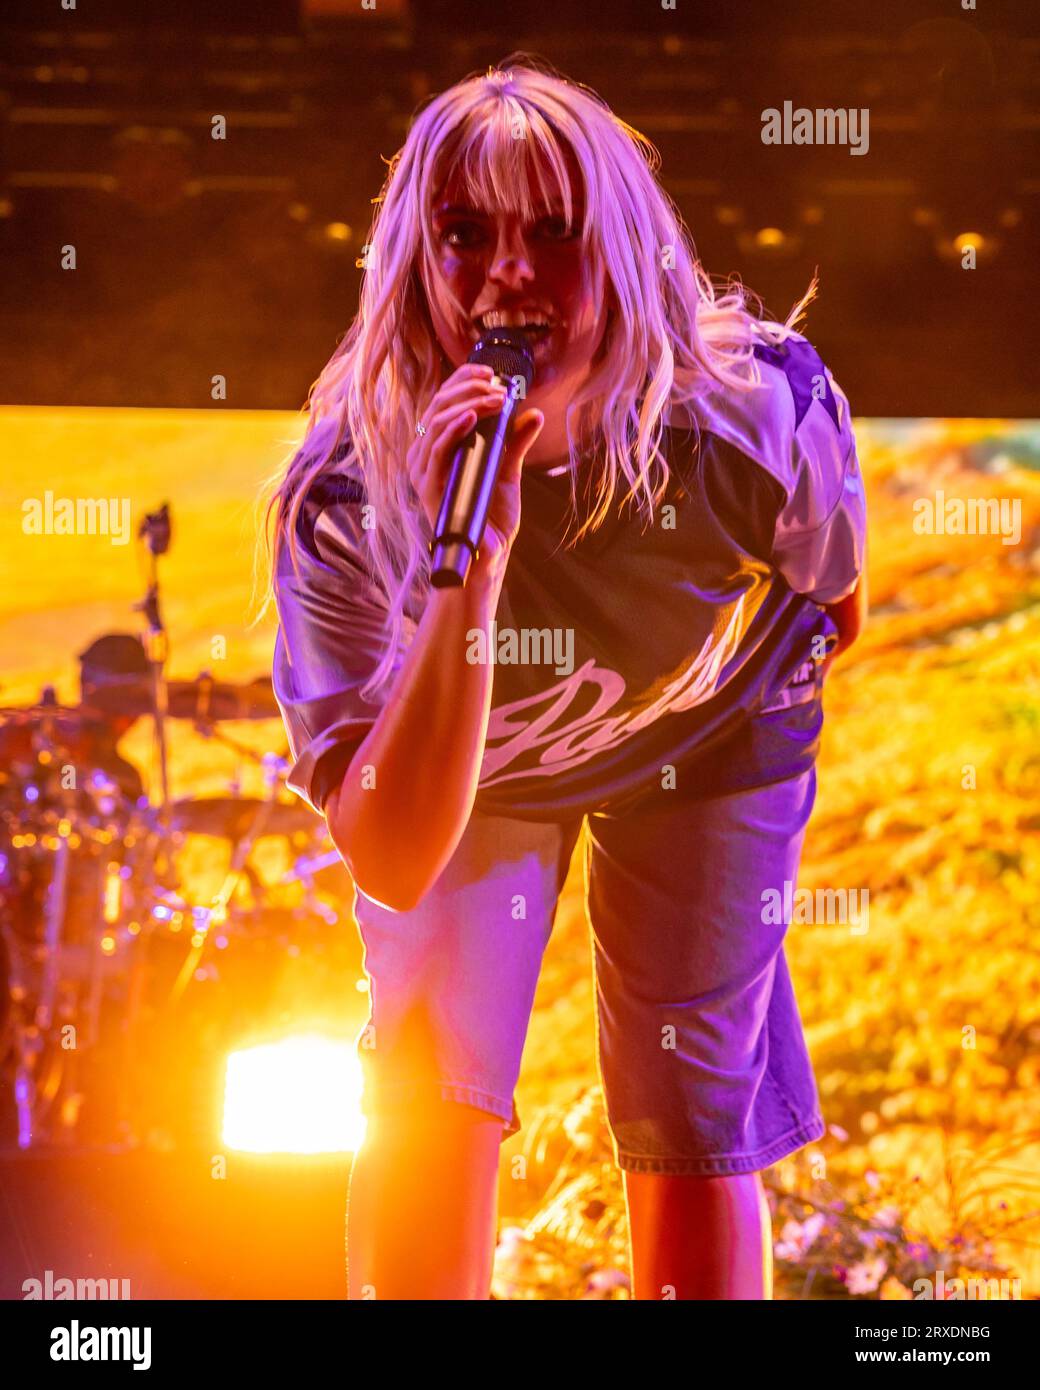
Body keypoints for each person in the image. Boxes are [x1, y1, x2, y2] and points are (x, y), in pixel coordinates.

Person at [262, 54, 868, 1300]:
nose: (507, 274)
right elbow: (387, 849)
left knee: (691, 1099)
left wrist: (687, 707)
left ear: (628, 247)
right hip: (468, 773)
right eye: (462, 234)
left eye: (554, 231)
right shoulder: (346, 499)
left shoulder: (756, 409)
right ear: (410, 265)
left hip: (707, 739)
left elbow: (831, 598)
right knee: (430, 1075)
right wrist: (465, 580)